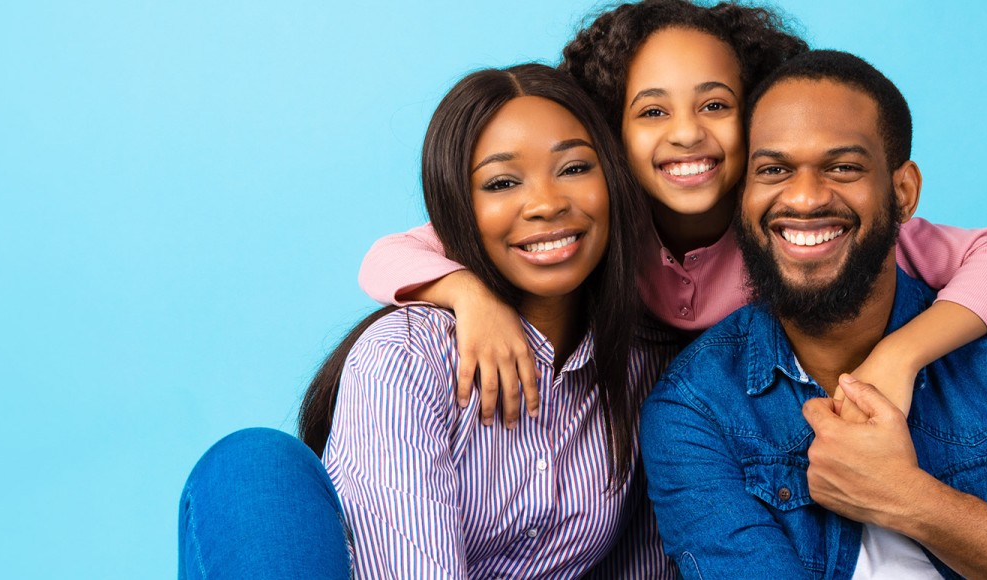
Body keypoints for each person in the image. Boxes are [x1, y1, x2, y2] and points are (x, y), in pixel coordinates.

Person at [359, 0, 987, 428]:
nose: (687, 133)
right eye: (652, 111)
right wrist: (469, 295)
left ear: (756, 118)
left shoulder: (800, 222)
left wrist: (903, 355)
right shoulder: (596, 219)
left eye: (716, 106)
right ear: (612, 131)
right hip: (655, 434)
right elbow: (388, 255)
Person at [640, 50, 987, 579]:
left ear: (904, 191)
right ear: (743, 196)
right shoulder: (696, 409)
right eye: (774, 169)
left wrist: (910, 500)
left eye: (843, 167)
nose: (803, 197)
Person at [178, 63, 671, 579]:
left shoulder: (646, 367)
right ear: (456, 209)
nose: (546, 204)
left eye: (574, 168)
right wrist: (468, 292)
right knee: (252, 468)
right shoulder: (407, 358)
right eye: (501, 182)